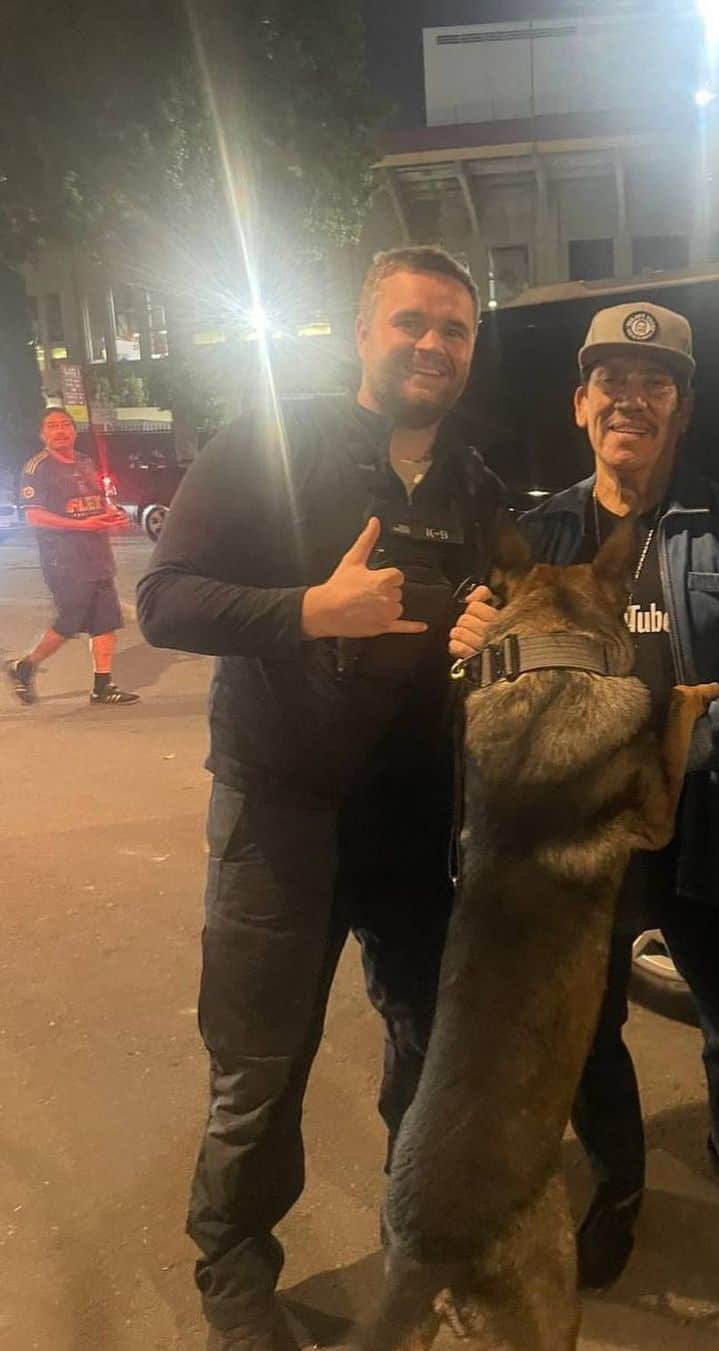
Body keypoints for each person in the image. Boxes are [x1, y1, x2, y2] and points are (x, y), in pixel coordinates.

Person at [137, 246, 502, 1351]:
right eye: (413, 323)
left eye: (455, 332)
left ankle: (417, 1235)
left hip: (411, 822)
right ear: (362, 331)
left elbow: (482, 623)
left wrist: (488, 639)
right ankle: (235, 1271)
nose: (433, 346)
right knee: (260, 1063)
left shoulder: (473, 488)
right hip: (279, 814)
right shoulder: (269, 444)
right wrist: (307, 610)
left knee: (425, 1047)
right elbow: (162, 599)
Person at [450, 300, 719, 1290]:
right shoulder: (534, 536)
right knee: (588, 1027)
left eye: (655, 384)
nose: (631, 398)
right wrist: (470, 653)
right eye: (610, 382)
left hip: (706, 820)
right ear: (581, 405)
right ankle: (618, 1187)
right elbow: (490, 677)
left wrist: (686, 747)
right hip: (578, 837)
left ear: (682, 410)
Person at [7, 407, 139, 706]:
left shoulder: (84, 461)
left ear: (74, 430)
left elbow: (98, 502)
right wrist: (80, 525)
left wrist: (112, 514)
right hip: (64, 558)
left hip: (98, 554)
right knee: (71, 618)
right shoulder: (37, 468)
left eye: (65, 425)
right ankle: (24, 666)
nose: (61, 430)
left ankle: (103, 686)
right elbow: (35, 517)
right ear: (43, 434)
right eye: (53, 426)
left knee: (106, 621)